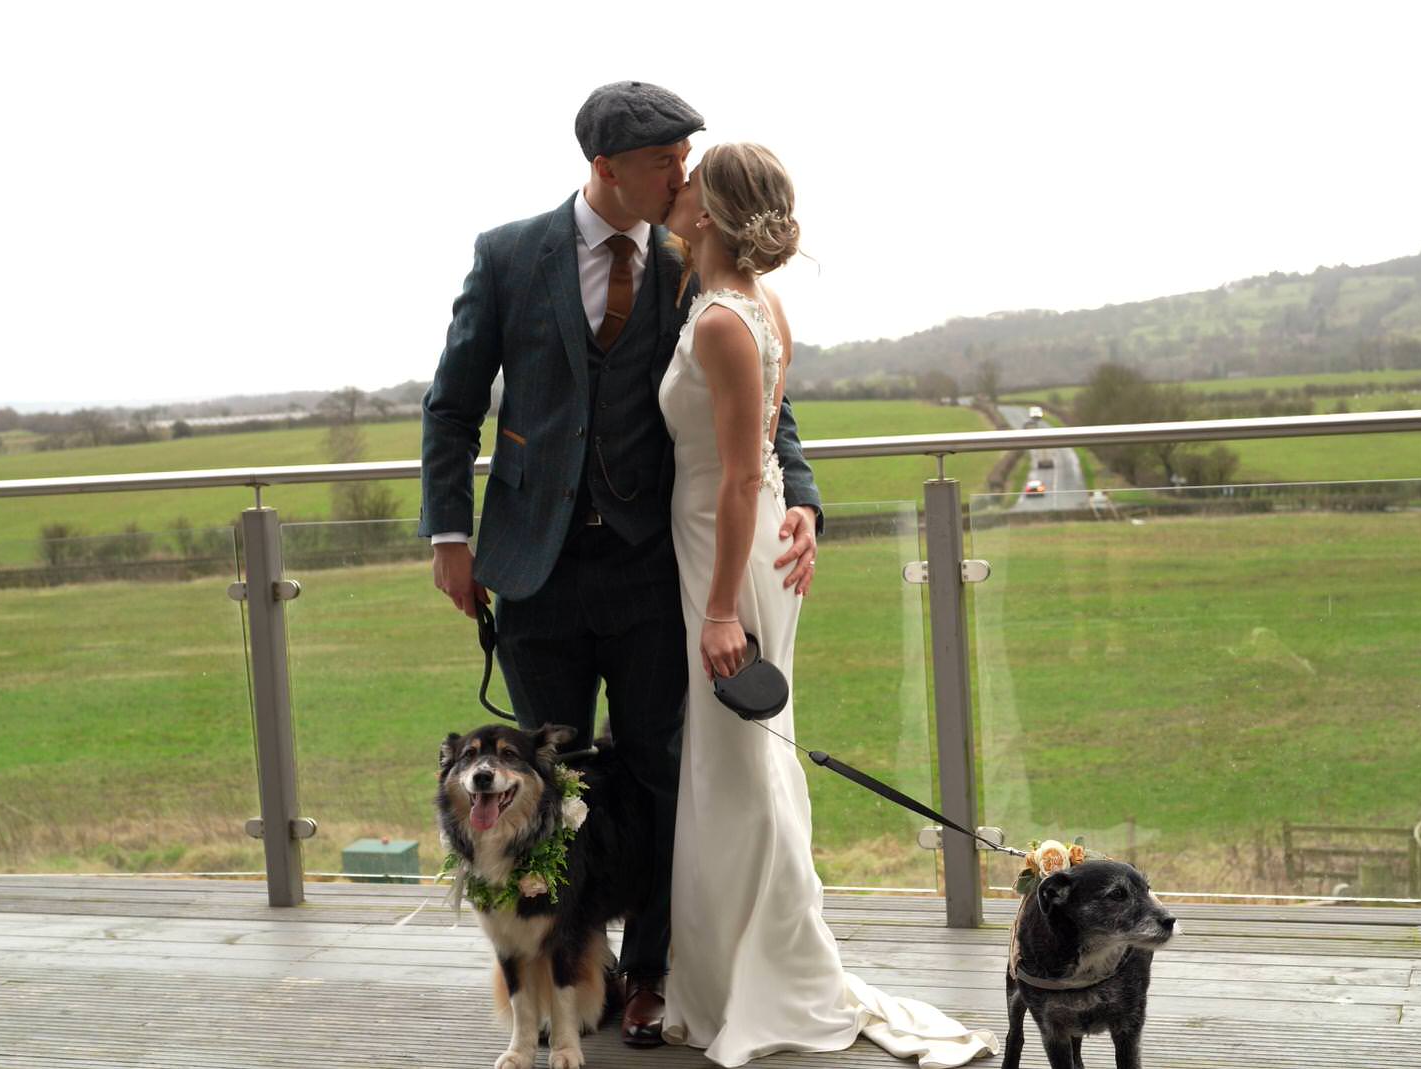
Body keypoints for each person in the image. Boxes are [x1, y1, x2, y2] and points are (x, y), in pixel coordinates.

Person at [418, 82, 823, 1047]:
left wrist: (799, 490)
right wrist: (450, 536)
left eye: (688, 158)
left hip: (654, 573)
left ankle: (646, 975)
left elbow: (763, 395)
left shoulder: (696, 259)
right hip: (536, 570)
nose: (684, 176)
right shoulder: (511, 255)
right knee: (546, 785)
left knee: (658, 775)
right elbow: (451, 403)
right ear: (605, 168)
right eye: (663, 162)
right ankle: (552, 982)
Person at [657, 143, 999, 1066]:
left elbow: (736, 478)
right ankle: (734, 969)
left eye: (691, 182)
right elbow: (760, 458)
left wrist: (722, 610)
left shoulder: (729, 321)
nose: (676, 188)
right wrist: (790, 506)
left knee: (740, 764)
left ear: (714, 211)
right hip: (740, 535)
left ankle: (769, 976)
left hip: (728, 548)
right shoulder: (753, 306)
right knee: (739, 765)